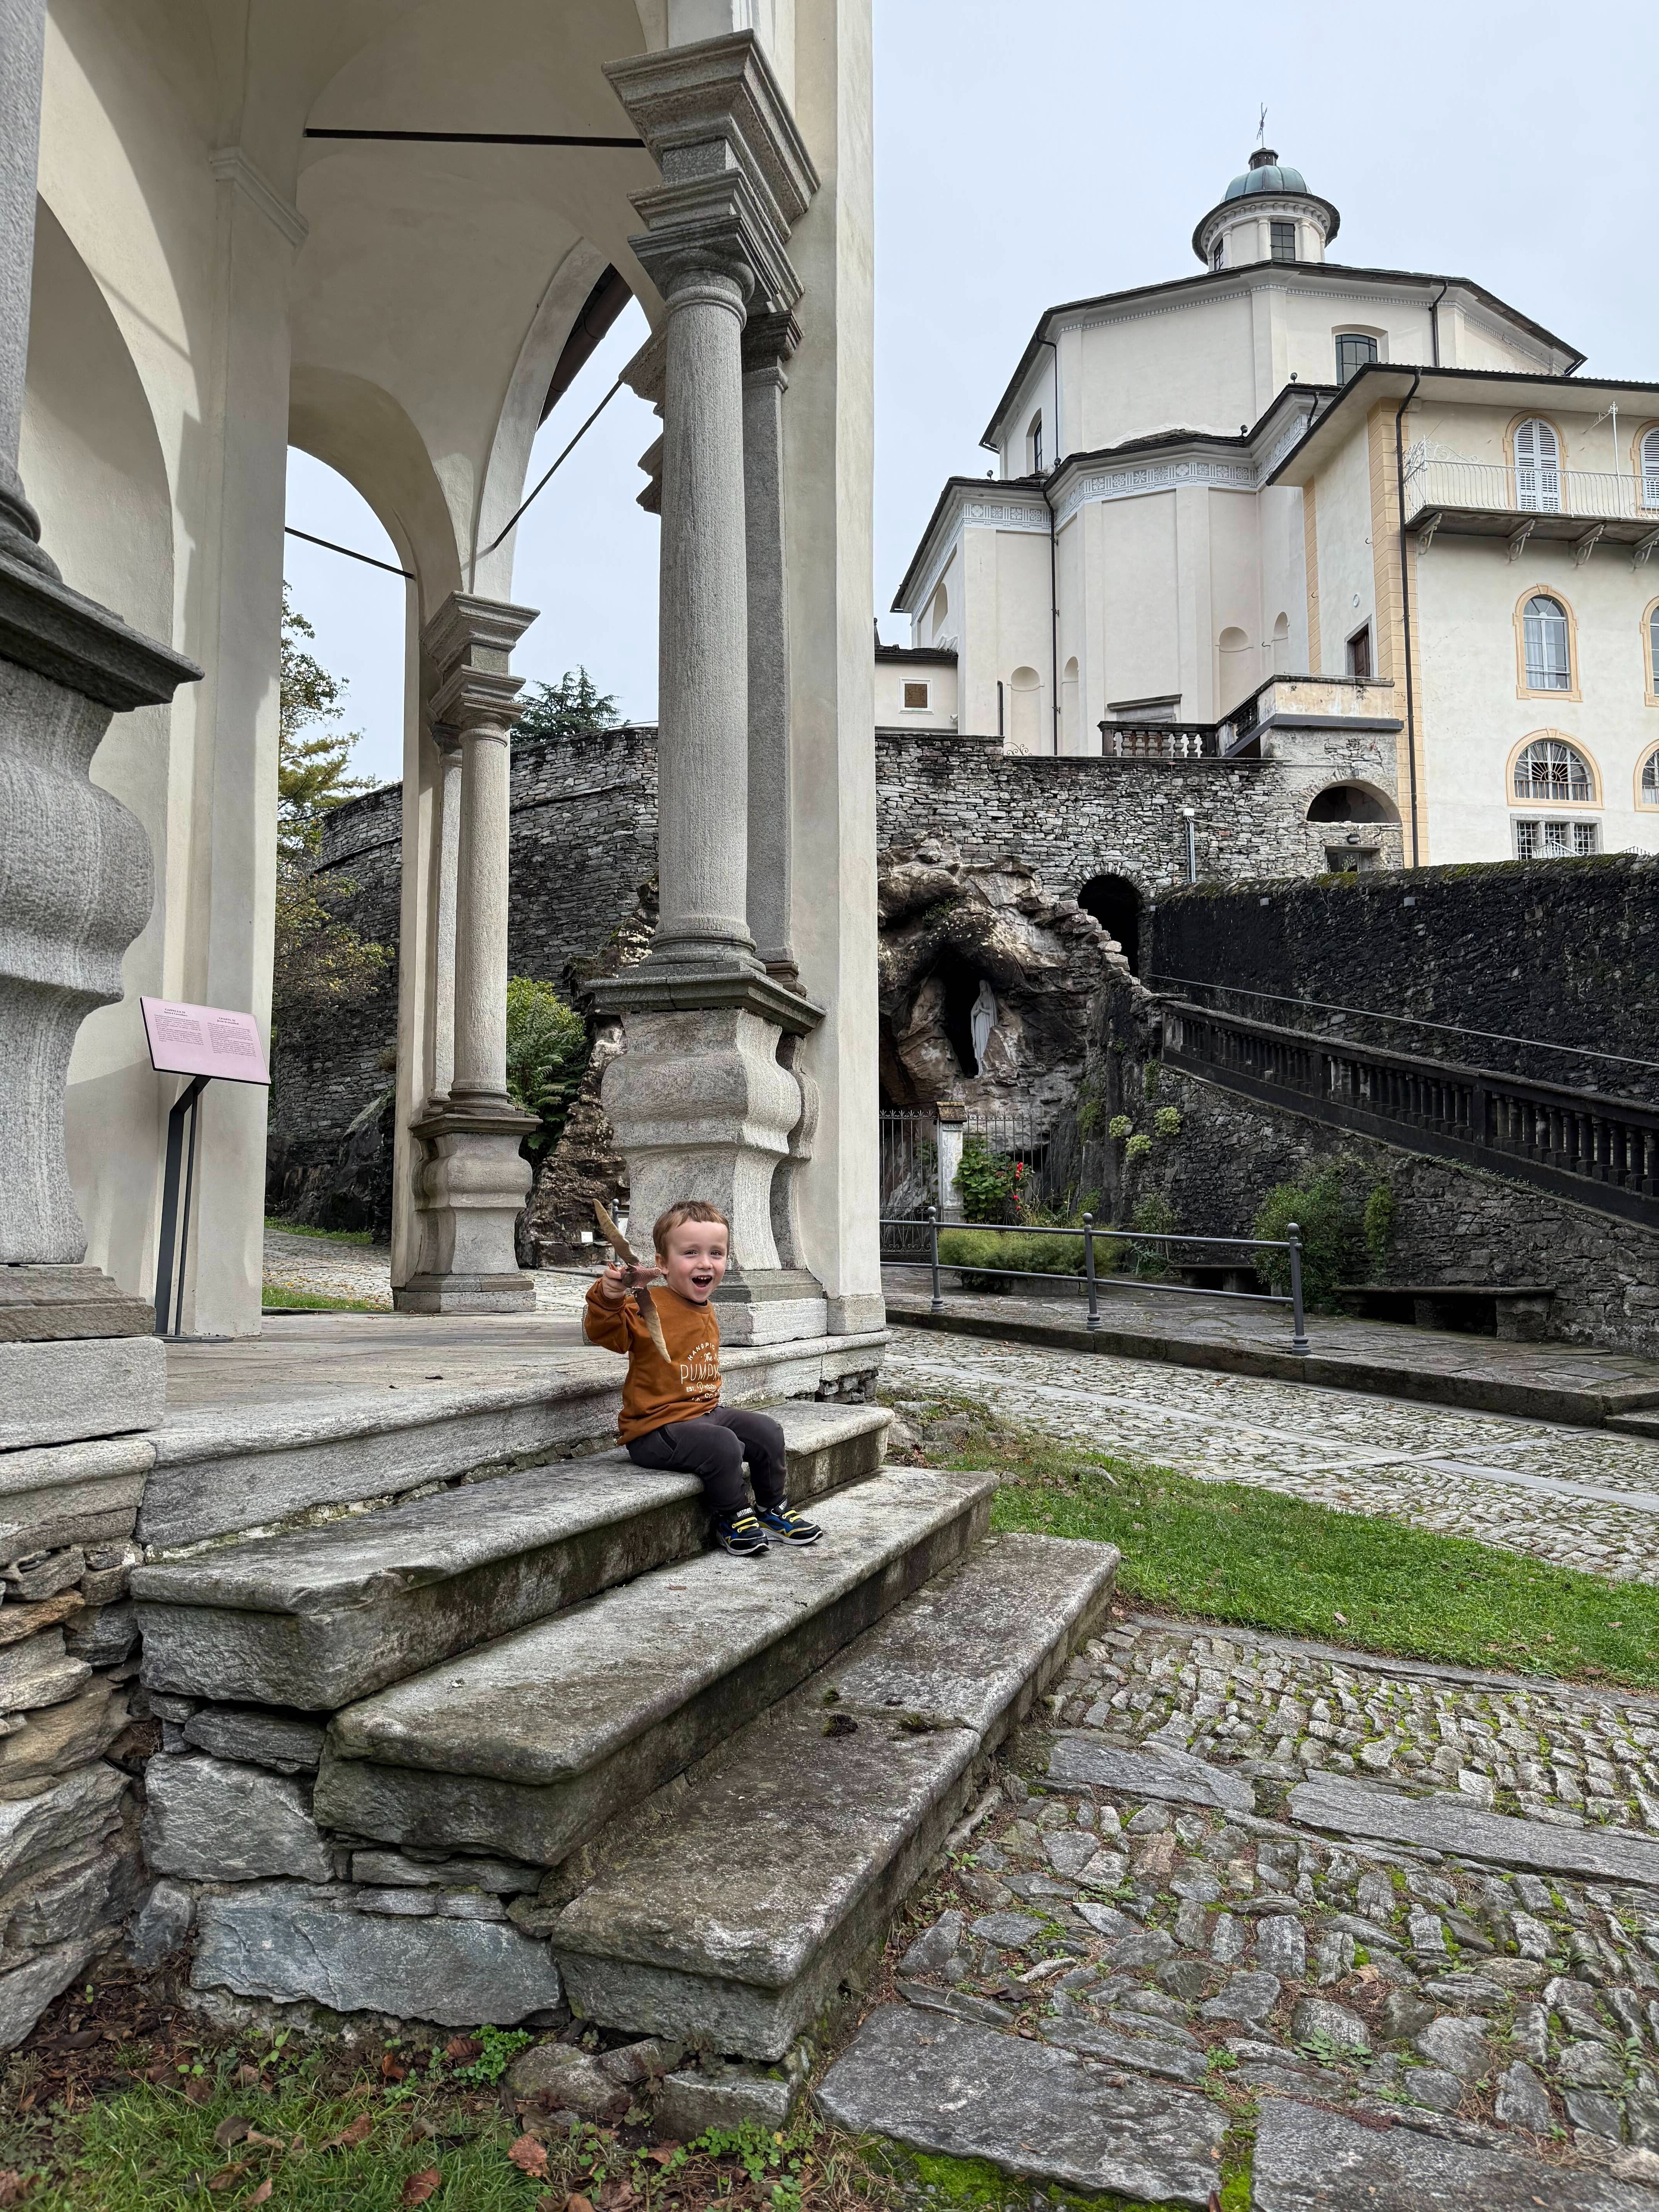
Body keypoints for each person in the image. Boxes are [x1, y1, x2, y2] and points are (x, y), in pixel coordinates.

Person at [583, 1199, 823, 1558]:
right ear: (662, 1264)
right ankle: (733, 1517)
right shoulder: (649, 1303)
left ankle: (771, 1509)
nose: (705, 1263)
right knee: (724, 1444)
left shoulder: (704, 1305)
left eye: (716, 1252)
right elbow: (605, 1333)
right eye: (691, 1253)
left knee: (767, 1432)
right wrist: (610, 1296)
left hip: (703, 1414)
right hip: (655, 1430)